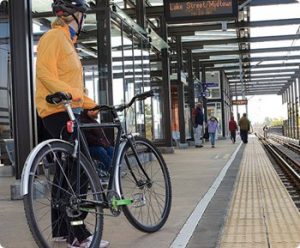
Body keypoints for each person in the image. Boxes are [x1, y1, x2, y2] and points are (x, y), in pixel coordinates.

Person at [35, 0, 109, 247]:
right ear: (74, 15)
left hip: (69, 110)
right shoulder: (53, 38)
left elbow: (75, 89)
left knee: (68, 173)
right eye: (82, 14)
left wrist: (94, 106)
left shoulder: (67, 43)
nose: (84, 19)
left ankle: (60, 230)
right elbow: (44, 74)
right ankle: (78, 234)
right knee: (79, 171)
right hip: (57, 111)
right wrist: (72, 96)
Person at [80, 108, 114, 176]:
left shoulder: (94, 121)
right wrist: (101, 142)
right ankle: (111, 171)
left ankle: (106, 170)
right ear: (88, 111)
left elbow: (102, 136)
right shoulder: (83, 121)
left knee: (112, 150)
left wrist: (106, 143)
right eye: (94, 111)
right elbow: (88, 138)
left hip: (98, 145)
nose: (97, 112)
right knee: (101, 151)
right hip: (88, 147)